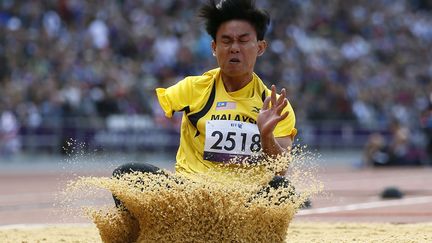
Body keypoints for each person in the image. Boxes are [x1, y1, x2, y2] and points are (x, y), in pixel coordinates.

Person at [113, 0, 297, 209]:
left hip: (243, 203)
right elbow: (151, 113)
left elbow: (280, 169)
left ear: (260, 47)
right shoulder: (192, 89)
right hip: (189, 198)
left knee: (282, 189)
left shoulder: (275, 106)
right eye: (226, 41)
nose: (234, 48)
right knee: (127, 175)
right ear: (214, 47)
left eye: (244, 41)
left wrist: (266, 137)